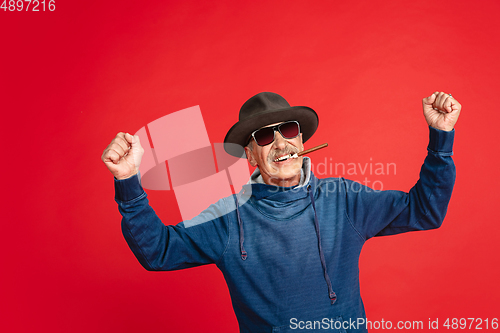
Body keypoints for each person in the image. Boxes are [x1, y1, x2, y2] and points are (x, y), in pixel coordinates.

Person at [101, 91, 460, 332]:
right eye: (263, 136)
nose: (280, 143)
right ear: (249, 153)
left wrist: (441, 140)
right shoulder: (227, 218)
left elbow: (425, 211)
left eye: (288, 130)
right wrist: (128, 179)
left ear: (301, 141)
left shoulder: (345, 199)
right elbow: (157, 251)